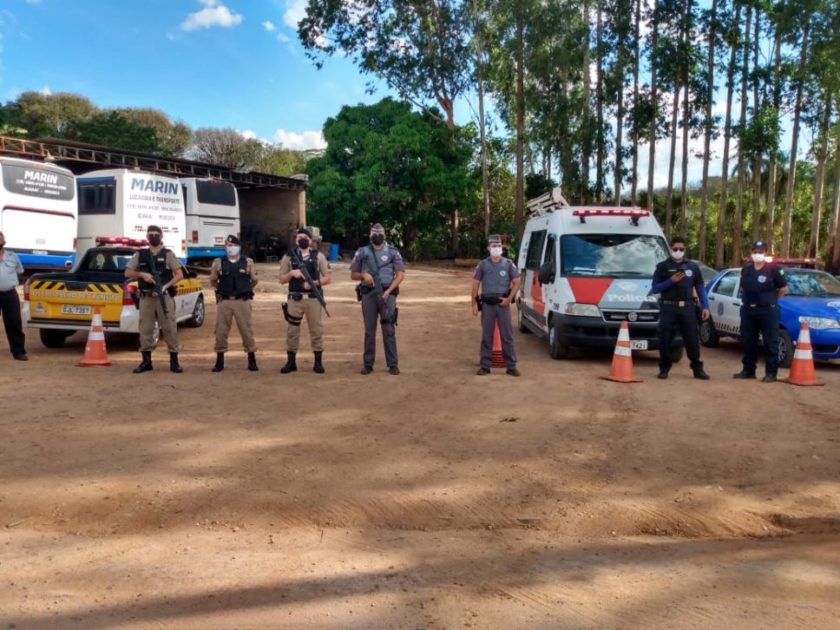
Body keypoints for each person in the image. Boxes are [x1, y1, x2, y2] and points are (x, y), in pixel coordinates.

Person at [125, 225, 184, 373]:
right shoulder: (140, 254)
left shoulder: (168, 254)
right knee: (145, 329)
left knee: (169, 328)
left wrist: (166, 286)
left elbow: (179, 274)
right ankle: (146, 361)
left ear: (161, 236)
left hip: (164, 296)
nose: (153, 236)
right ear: (147, 237)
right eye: (150, 234)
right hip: (146, 298)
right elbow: (128, 272)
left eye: (156, 234)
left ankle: (174, 361)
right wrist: (142, 275)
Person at [651, 236, 711, 380]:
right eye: (675, 249)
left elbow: (700, 288)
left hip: (687, 308)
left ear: (685, 250)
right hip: (668, 308)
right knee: (665, 339)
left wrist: (706, 307)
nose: (678, 251)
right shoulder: (662, 266)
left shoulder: (692, 267)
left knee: (692, 340)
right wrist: (670, 281)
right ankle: (664, 369)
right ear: (670, 249)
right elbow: (655, 288)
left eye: (681, 249)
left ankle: (697, 369)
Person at [350, 223, 406, 375]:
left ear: (385, 235)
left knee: (389, 329)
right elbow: (353, 274)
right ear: (370, 235)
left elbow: (400, 274)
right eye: (374, 233)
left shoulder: (393, 252)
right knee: (369, 330)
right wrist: (363, 275)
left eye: (380, 233)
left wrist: (389, 291)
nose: (377, 235)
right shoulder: (362, 252)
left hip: (388, 294)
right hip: (368, 294)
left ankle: (393, 364)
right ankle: (368, 364)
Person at [279, 227, 331, 374]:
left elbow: (327, 277)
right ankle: (291, 362)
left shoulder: (318, 257)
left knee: (316, 330)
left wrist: (314, 283)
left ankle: (318, 362)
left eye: (305, 237)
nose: (301, 239)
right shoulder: (289, 257)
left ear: (310, 240)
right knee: (292, 331)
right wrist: (291, 273)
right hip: (295, 299)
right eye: (299, 237)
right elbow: (282, 279)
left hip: (313, 300)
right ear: (296, 240)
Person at [734, 240, 788, 383]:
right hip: (748, 310)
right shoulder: (746, 269)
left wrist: (770, 300)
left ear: (765, 252)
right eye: (755, 251)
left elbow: (783, 289)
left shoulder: (773, 269)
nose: (757, 254)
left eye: (760, 252)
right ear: (751, 253)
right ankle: (748, 370)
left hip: (767, 311)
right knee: (748, 341)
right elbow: (743, 287)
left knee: (770, 342)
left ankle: (771, 373)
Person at [471, 234, 521, 376]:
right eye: (494, 246)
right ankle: (485, 366)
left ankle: (511, 366)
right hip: (487, 305)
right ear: (488, 248)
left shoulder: (508, 264)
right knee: (487, 336)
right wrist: (473, 304)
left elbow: (517, 281)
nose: (497, 248)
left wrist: (509, 298)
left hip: (503, 304)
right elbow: (475, 283)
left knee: (507, 336)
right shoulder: (483, 265)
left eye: (499, 246)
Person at [209, 235, 259, 372]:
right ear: (225, 247)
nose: (231, 248)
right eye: (228, 245)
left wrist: (245, 289)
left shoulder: (248, 262)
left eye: (234, 245)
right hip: (224, 301)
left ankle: (252, 359)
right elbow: (213, 280)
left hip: (242, 301)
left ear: (239, 247)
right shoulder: (218, 262)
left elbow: (254, 280)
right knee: (221, 331)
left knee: (246, 330)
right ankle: (219, 361)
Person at [0, 231, 27, 361]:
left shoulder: (12, 256)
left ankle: (18, 351)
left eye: (1, 237)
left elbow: (20, 271)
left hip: (10, 294)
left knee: (14, 322)